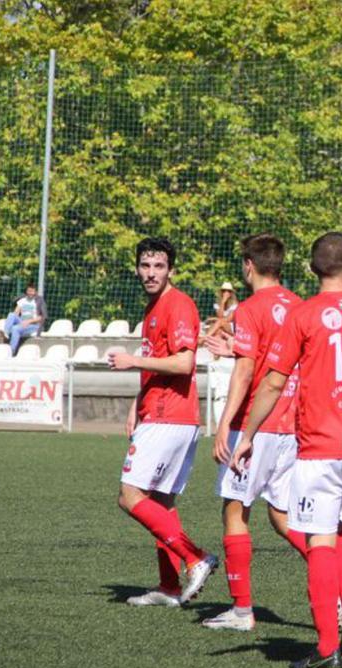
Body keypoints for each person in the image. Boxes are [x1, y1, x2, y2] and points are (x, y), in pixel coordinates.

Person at [231, 232, 342, 668]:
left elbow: (273, 381)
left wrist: (248, 432)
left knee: (320, 538)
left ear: (312, 270)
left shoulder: (303, 314)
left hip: (320, 447)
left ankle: (327, 643)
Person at [198, 234, 305, 632]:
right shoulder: (298, 305)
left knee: (234, 509)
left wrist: (226, 423)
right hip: (291, 424)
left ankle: (242, 610)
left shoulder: (249, 307)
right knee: (281, 515)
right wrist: (237, 351)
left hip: (256, 426)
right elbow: (279, 358)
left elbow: (246, 372)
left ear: (248, 266)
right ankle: (331, 577)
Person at [108, 237, 217, 608]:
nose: (151, 273)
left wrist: (131, 362)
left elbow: (185, 363)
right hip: (160, 412)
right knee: (161, 503)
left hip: (170, 415)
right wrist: (135, 405)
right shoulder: (153, 307)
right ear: (137, 267)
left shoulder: (179, 305)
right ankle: (169, 588)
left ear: (171, 269)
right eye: (145, 265)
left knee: (129, 496)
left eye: (158, 266)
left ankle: (196, 557)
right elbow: (157, 361)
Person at [4, 283, 47, 356]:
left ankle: (11, 352)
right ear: (26, 291)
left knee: (15, 329)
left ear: (35, 292)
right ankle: (6, 333)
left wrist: (29, 321)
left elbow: (42, 317)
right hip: (22, 322)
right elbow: (16, 313)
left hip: (33, 325)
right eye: (29, 291)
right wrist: (16, 320)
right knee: (11, 315)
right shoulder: (22, 300)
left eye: (32, 291)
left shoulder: (39, 301)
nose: (30, 293)